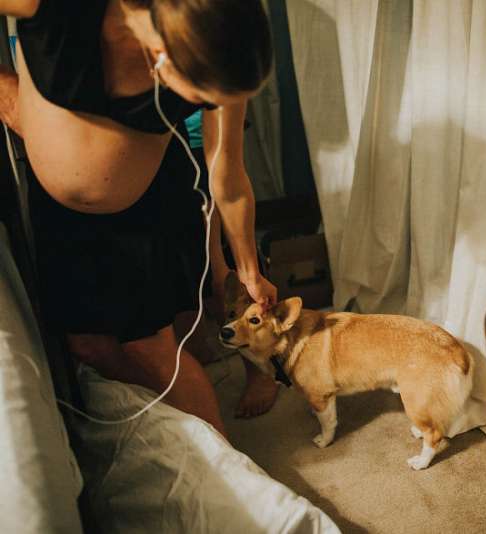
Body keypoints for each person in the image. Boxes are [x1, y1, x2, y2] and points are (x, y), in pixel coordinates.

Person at [0, 0, 280, 437]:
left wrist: (248, 271)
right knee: (88, 346)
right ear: (165, 53)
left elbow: (227, 175)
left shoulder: (216, 48)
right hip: (57, 209)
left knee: (152, 348)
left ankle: (221, 460)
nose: (202, 105)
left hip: (144, 201)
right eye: (199, 96)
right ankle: (169, 436)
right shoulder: (54, 8)